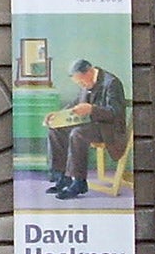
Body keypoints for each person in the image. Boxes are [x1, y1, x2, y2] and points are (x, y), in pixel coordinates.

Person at [44, 59, 128, 201]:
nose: (81, 85)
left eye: (81, 82)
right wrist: (58, 116)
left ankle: (79, 182)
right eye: (79, 83)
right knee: (55, 129)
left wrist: (92, 109)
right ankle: (62, 177)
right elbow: (77, 103)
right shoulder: (87, 80)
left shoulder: (112, 83)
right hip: (91, 123)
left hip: (109, 128)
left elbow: (116, 113)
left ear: (89, 72)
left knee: (78, 134)